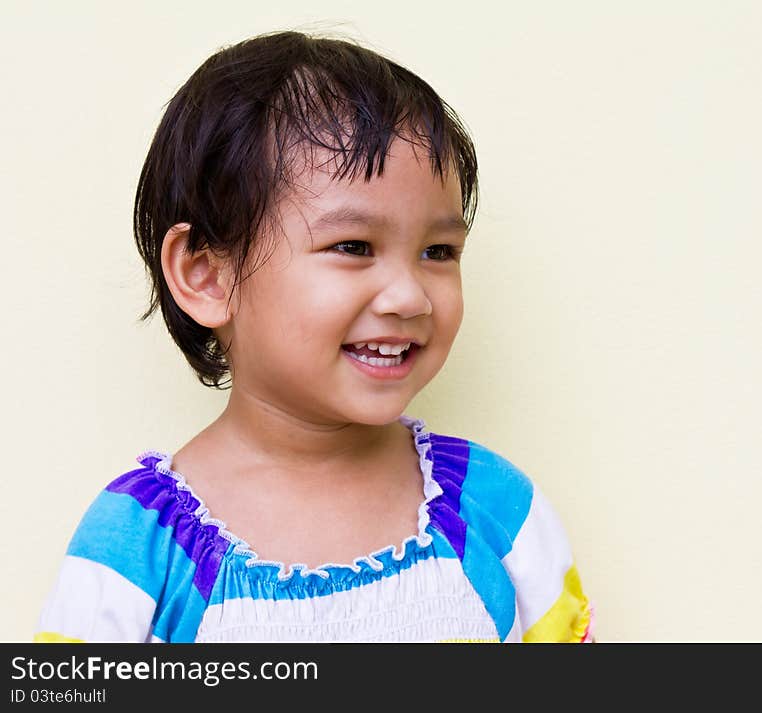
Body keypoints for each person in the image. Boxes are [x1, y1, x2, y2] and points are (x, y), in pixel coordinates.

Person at [34, 30, 594, 643]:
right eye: (353, 246)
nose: (410, 295)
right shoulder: (139, 547)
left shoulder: (495, 510)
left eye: (438, 250)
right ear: (207, 275)